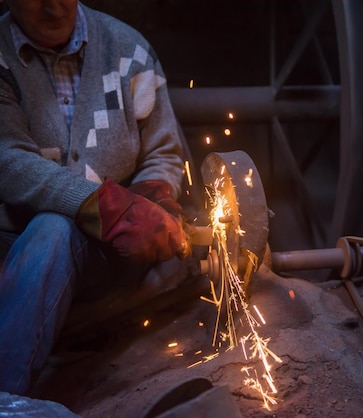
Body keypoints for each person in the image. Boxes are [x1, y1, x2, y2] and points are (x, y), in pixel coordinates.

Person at [0, 0, 191, 395]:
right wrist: (103, 206)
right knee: (53, 227)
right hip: (14, 249)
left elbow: (163, 154)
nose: (54, 7)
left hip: (108, 257)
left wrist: (152, 199)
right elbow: (8, 160)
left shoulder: (129, 50)